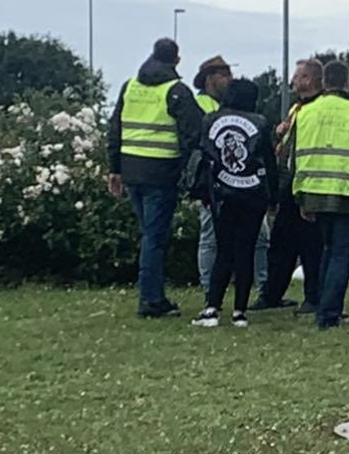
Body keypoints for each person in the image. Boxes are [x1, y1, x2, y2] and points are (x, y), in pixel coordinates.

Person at [106, 37, 205, 318]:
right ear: (176, 60)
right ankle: (151, 300)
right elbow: (193, 133)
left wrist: (114, 169)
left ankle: (152, 296)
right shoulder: (177, 91)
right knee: (154, 237)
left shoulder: (130, 87)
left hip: (131, 172)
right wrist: (190, 173)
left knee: (149, 235)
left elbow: (115, 129)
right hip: (161, 172)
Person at [288, 59, 349, 330]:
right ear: (347, 82)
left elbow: (294, 159)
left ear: (324, 82)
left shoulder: (304, 112)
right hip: (343, 192)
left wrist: (300, 197)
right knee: (340, 253)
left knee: (327, 250)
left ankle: (321, 304)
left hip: (312, 191)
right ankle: (329, 314)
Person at [191, 79, 277, 329]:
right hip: (253, 195)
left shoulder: (210, 120)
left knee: (223, 251)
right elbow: (268, 161)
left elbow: (203, 156)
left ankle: (212, 308)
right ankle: (240, 311)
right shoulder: (260, 122)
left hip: (222, 194)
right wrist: (273, 197)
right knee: (246, 251)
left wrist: (204, 194)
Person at [252, 60, 324, 313]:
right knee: (281, 243)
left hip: (309, 184)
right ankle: (271, 294)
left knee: (310, 245)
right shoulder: (297, 108)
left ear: (310, 80)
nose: (292, 80)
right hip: (290, 183)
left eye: (298, 76)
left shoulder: (317, 109)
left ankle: (313, 298)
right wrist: (280, 132)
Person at [191, 55, 234, 297]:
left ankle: (263, 289)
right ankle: (209, 290)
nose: (230, 79)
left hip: (235, 176)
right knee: (209, 236)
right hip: (212, 178)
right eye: (224, 75)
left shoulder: (228, 104)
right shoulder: (200, 105)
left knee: (261, 236)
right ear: (209, 78)